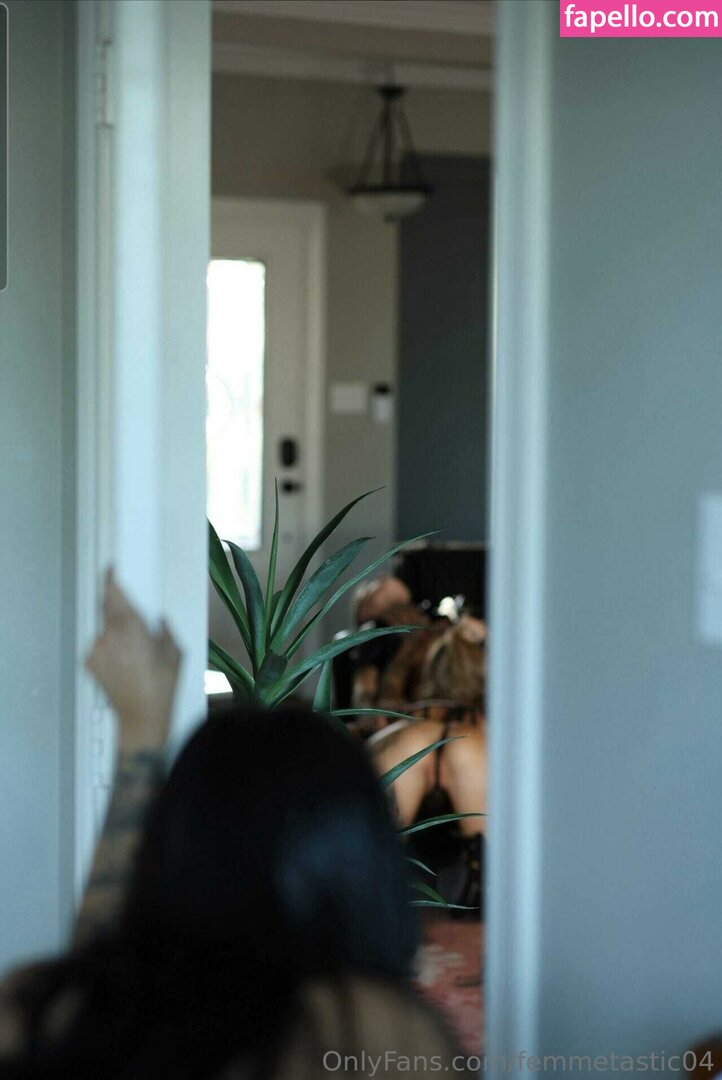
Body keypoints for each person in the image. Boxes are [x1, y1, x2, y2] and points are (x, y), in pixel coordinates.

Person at [0, 572, 469, 1079]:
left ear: (177, 844)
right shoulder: (376, 1034)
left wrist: (140, 737)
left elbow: (84, 997)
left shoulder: (47, 1008)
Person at [369, 615, 488, 916]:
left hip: (405, 748)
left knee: (374, 873)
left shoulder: (392, 729)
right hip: (470, 748)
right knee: (488, 875)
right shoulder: (484, 733)